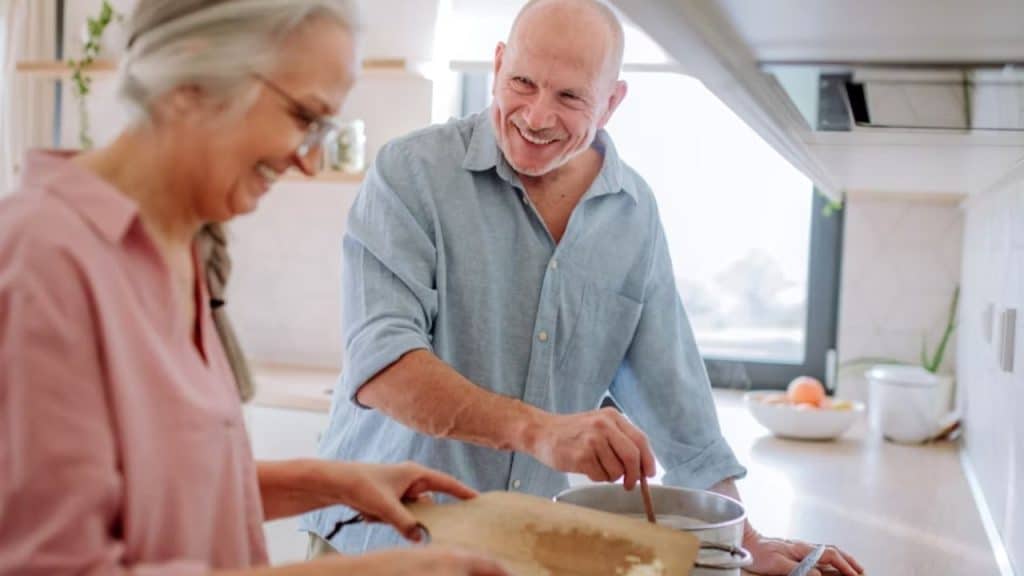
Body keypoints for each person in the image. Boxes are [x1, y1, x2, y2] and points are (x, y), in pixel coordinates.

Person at [302, 1, 865, 574]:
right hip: (373, 546)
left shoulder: (633, 213)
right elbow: (382, 367)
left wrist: (745, 540)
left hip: (513, 559)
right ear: (498, 66)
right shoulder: (411, 172)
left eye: (570, 97)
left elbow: (677, 403)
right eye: (522, 82)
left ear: (613, 102)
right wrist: (540, 431)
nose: (537, 116)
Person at [0, 1, 509, 575]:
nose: (310, 162)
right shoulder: (41, 261)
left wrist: (330, 483)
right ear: (193, 79)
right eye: (303, 117)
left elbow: (168, 491)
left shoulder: (176, 250)